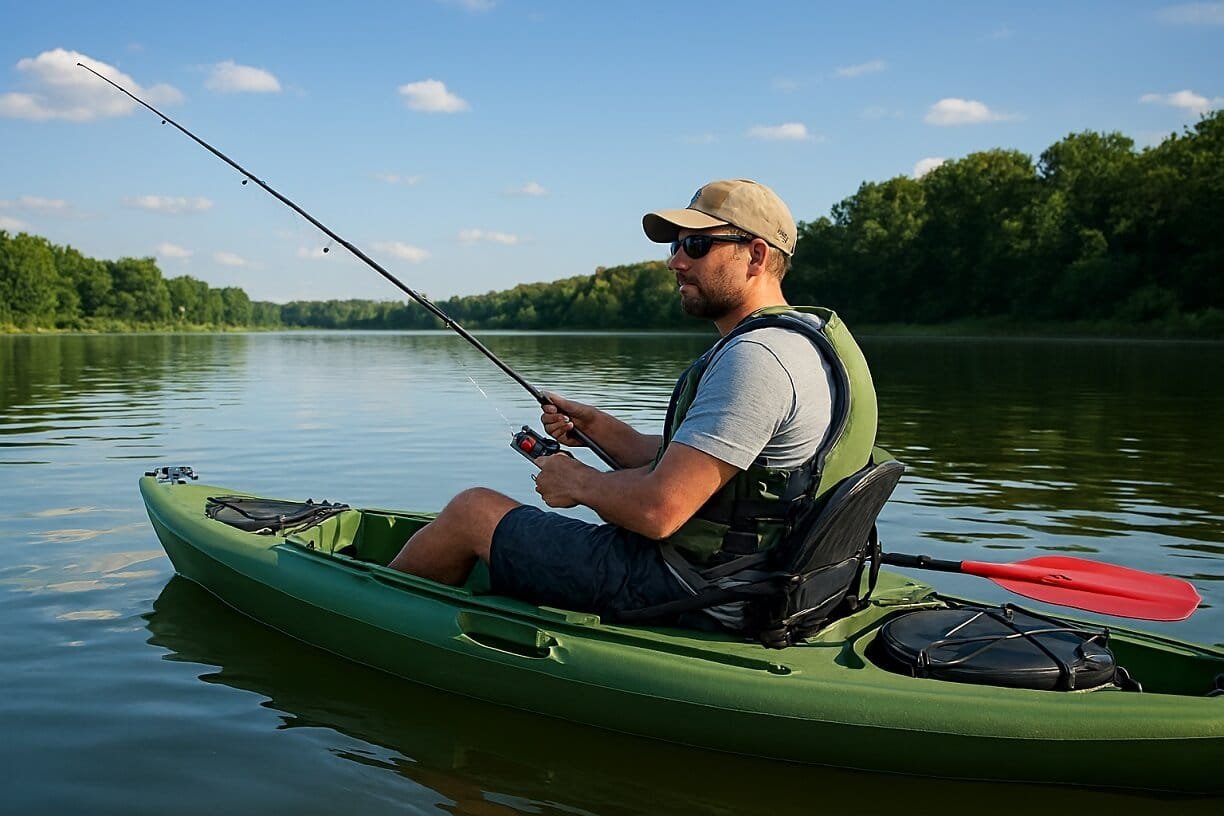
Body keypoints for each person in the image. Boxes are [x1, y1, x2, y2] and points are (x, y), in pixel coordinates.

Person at [388, 178, 878, 632]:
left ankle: (373, 615)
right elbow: (702, 465)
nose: (676, 262)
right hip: (757, 580)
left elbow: (660, 511)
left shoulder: (756, 359)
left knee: (472, 511)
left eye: (697, 245)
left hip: (697, 591)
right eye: (676, 245)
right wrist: (597, 427)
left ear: (755, 255)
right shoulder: (806, 341)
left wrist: (578, 482)